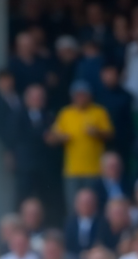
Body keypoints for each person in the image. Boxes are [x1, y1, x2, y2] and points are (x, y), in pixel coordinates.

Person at [47, 80, 113, 214]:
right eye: (77, 95)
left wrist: (97, 133)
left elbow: (110, 135)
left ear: (89, 96)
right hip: (72, 170)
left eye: (83, 95)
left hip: (95, 169)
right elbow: (51, 138)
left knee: (94, 205)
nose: (80, 98)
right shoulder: (65, 113)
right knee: (73, 207)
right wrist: (61, 137)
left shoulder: (99, 112)